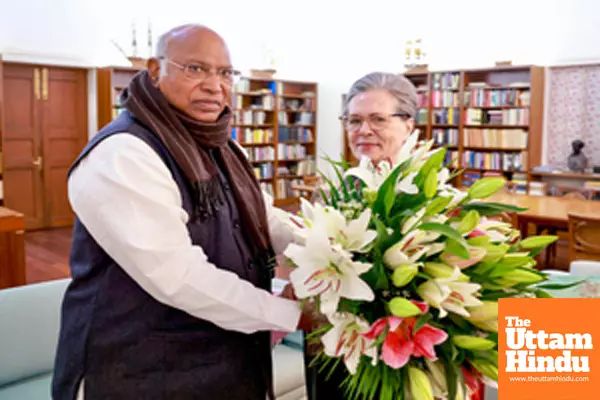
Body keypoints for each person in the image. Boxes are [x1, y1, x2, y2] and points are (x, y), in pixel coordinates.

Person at [52, 24, 308, 400]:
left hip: (225, 361)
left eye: (224, 73)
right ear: (155, 71)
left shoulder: (223, 147)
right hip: (142, 370)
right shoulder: (124, 153)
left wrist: (334, 251)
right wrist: (290, 314)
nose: (213, 85)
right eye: (195, 69)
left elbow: (265, 218)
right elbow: (178, 276)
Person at [304, 71, 419, 399]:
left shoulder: (432, 196)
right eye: (354, 120)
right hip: (335, 351)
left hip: (402, 359)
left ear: (408, 124)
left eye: (378, 119)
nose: (363, 130)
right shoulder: (328, 193)